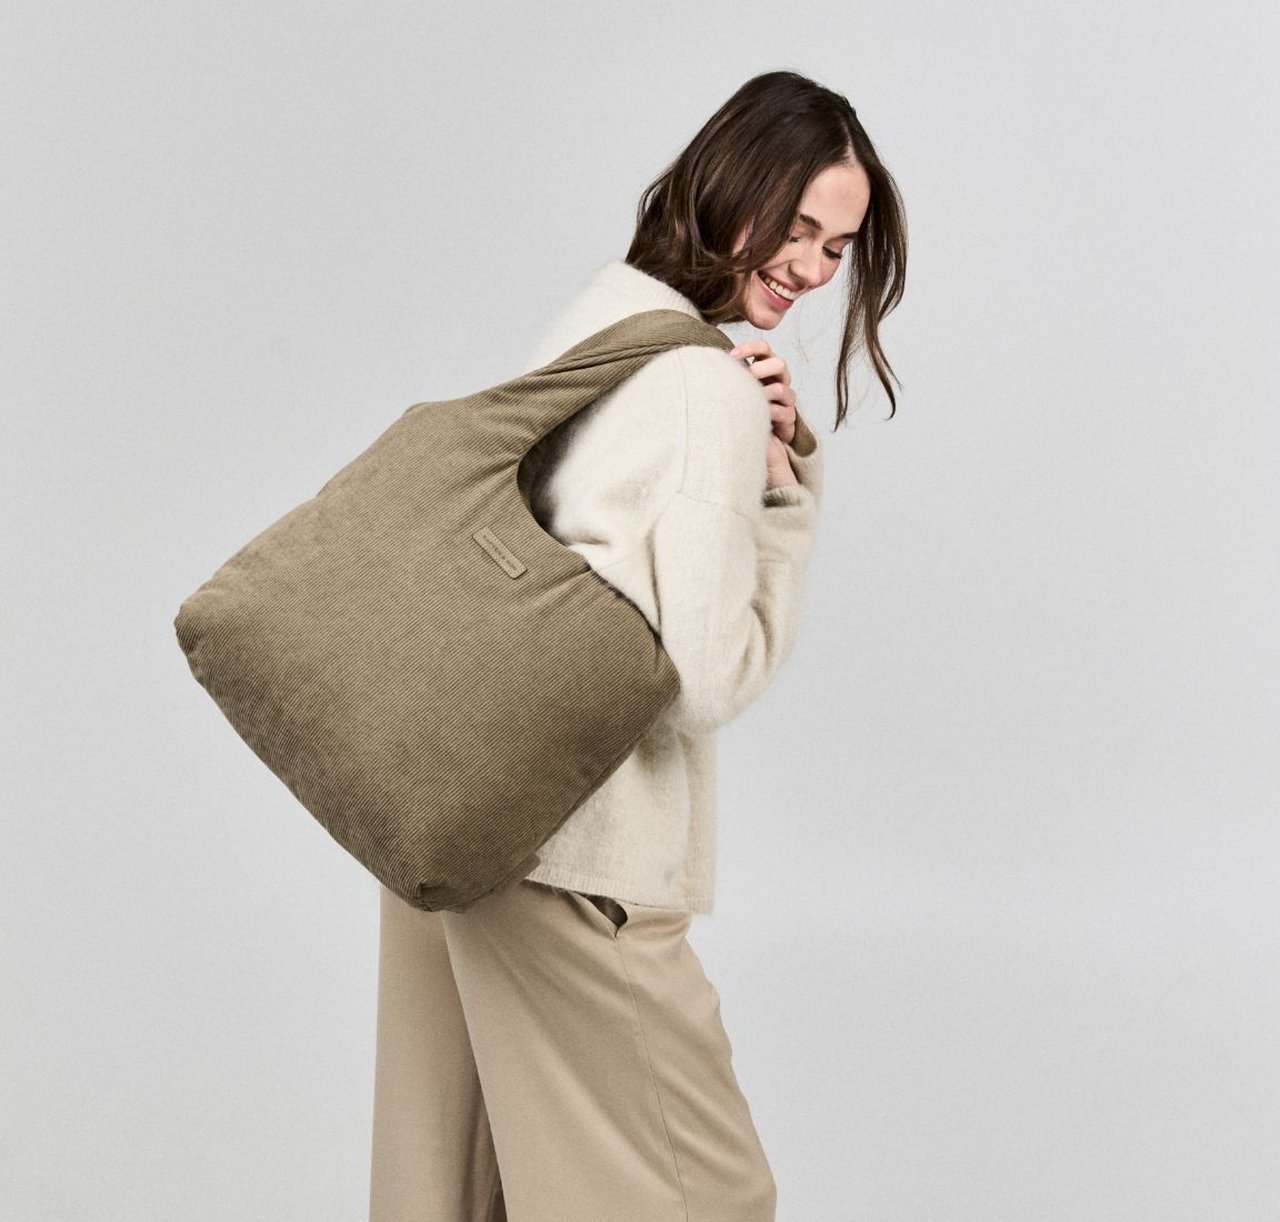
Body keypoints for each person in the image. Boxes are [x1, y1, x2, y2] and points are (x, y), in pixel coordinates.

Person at [368, 69, 907, 1221]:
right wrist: (780, 493)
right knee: (707, 1196)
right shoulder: (700, 387)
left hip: (453, 812)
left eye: (836, 246)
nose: (813, 268)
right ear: (731, 185)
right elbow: (701, 680)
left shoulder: (600, 318)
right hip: (579, 856)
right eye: (797, 226)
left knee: (451, 1191)